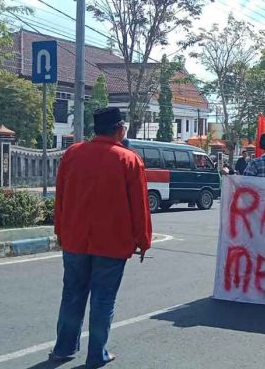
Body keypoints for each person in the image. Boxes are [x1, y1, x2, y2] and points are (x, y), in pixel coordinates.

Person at [50, 108, 152, 367]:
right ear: (120, 129)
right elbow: (139, 206)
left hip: (74, 238)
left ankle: (63, 348)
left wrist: (60, 230)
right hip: (112, 242)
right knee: (103, 298)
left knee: (72, 294)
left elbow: (60, 196)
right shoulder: (128, 159)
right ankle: (97, 354)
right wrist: (143, 240)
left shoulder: (73, 154)